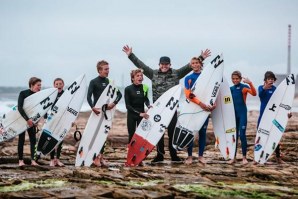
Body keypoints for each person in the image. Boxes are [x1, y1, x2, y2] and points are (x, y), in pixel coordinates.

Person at [122, 45, 211, 163]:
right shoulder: (153, 73)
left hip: (171, 109)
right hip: (158, 109)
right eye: (162, 64)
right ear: (159, 65)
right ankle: (160, 155)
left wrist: (201, 57)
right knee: (158, 133)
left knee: (172, 132)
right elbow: (141, 65)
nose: (164, 66)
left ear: (170, 65)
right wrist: (130, 55)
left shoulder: (176, 74)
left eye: (166, 64)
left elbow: (190, 66)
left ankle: (174, 155)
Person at [87, 60, 122, 166]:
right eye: (106, 69)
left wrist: (113, 103)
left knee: (103, 135)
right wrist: (92, 107)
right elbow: (89, 96)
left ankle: (101, 157)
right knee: (95, 135)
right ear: (99, 70)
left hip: (107, 113)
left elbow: (119, 95)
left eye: (108, 69)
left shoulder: (109, 82)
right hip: (97, 113)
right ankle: (95, 157)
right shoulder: (93, 82)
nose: (108, 71)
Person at [183, 57, 216, 165]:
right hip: (192, 108)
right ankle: (189, 156)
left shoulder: (207, 77)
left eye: (197, 63)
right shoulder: (188, 78)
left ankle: (201, 156)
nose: (195, 64)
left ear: (200, 64)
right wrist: (200, 104)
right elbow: (188, 95)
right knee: (191, 133)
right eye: (193, 63)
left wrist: (214, 103)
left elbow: (213, 91)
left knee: (202, 133)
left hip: (205, 109)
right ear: (191, 65)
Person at [257, 71, 292, 164]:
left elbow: (282, 103)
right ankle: (258, 158)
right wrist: (264, 88)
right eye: (269, 79)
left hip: (273, 116)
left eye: (272, 79)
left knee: (275, 137)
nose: (271, 80)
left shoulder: (276, 89)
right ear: (265, 80)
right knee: (261, 137)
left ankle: (278, 157)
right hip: (263, 117)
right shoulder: (261, 88)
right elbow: (260, 95)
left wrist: (287, 112)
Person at [229, 71, 257, 165]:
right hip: (233, 115)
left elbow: (254, 93)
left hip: (242, 114)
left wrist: (250, 83)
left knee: (242, 135)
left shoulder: (244, 87)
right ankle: (233, 157)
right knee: (234, 136)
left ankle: (244, 157)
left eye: (237, 78)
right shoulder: (230, 89)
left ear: (240, 79)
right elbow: (224, 101)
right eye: (233, 79)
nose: (235, 80)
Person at [18, 77, 42, 166]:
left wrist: (36, 120)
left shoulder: (39, 95)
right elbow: (19, 108)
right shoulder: (23, 93)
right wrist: (27, 119)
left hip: (32, 121)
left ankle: (33, 161)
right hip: (22, 120)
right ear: (32, 85)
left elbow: (40, 110)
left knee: (33, 141)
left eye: (40, 85)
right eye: (38, 85)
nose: (39, 87)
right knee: (21, 140)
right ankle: (20, 161)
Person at [124, 69, 151, 143]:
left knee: (141, 135)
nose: (140, 77)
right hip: (132, 115)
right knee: (132, 135)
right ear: (133, 78)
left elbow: (145, 99)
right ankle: (130, 152)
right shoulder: (128, 89)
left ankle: (140, 152)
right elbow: (127, 106)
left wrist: (149, 105)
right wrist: (139, 113)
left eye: (141, 75)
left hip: (141, 115)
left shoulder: (145, 87)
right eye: (138, 76)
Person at [49, 78, 65, 167]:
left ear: (63, 85)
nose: (58, 85)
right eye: (56, 84)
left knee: (60, 140)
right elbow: (46, 107)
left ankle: (57, 159)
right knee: (51, 139)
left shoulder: (66, 94)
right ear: (54, 85)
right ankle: (52, 160)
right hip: (53, 119)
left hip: (63, 120)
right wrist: (45, 118)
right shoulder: (52, 95)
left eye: (60, 84)